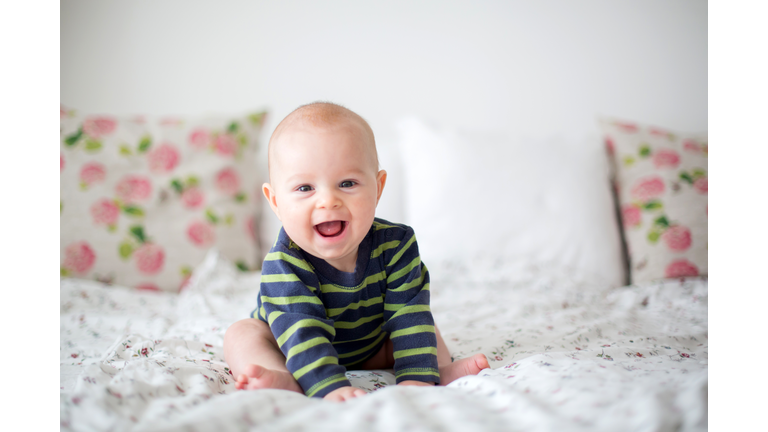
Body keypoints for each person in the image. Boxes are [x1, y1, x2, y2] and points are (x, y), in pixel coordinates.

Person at [223, 102, 489, 402]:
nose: (327, 200)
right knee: (242, 334)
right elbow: (301, 330)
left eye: (347, 183)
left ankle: (437, 370)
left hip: (372, 348)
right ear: (275, 202)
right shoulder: (284, 263)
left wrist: (417, 378)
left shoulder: (396, 245)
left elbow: (407, 313)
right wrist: (329, 386)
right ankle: (287, 379)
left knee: (419, 321)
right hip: (291, 349)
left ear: (378, 187)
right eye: (304, 188)